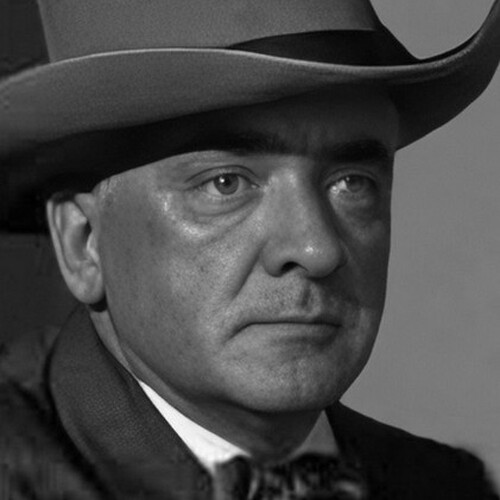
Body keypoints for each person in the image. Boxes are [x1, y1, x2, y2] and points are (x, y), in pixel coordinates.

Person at [0, 0, 499, 498]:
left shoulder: (447, 486)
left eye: (352, 182)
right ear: (83, 242)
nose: (316, 248)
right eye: (226, 184)